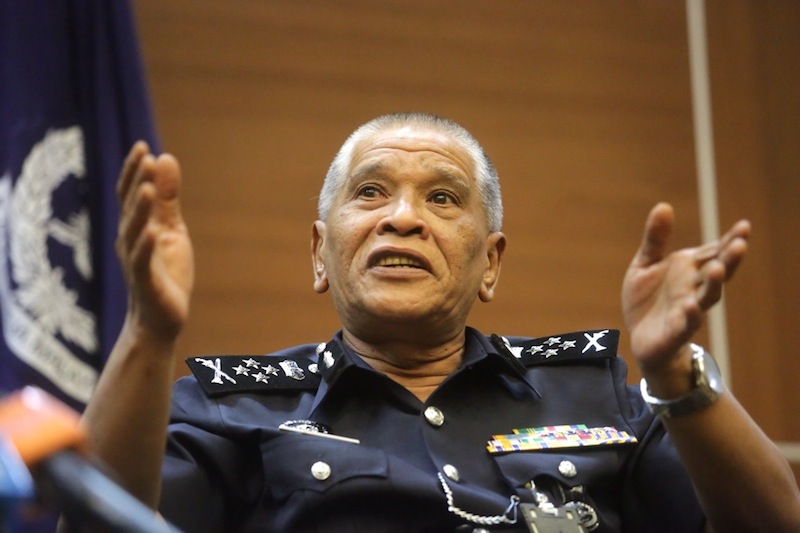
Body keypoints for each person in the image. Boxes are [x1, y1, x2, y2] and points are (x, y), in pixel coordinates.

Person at [80, 113, 800, 531]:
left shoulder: (597, 395)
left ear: (490, 263)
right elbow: (95, 522)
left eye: (444, 199)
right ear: (320, 253)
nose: (403, 216)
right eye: (370, 191)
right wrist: (147, 332)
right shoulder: (233, 409)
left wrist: (676, 375)